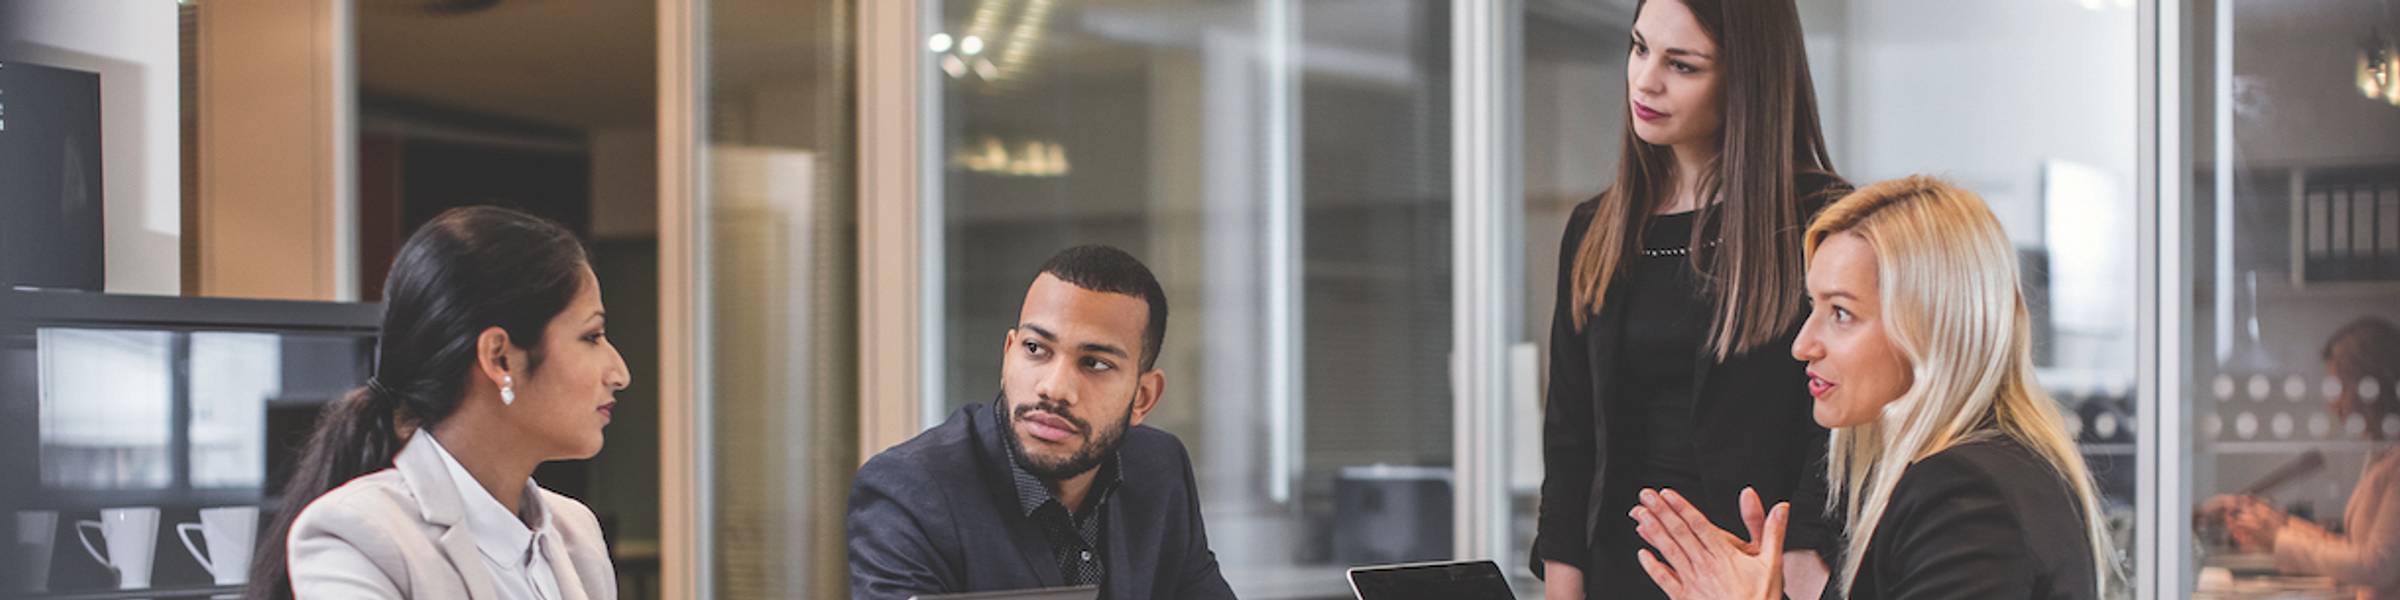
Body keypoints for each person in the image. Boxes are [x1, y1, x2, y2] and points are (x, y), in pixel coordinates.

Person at [1626, 176, 2114, 599]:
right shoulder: (1977, 472)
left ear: (1927, 328)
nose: (1803, 344)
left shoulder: (1964, 499)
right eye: (1812, 307)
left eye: (1841, 313)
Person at [1532, 0, 1849, 597]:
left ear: (1745, 79)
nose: (1645, 79)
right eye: (1639, 47)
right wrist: (1563, 586)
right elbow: (1570, 435)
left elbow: (1838, 431)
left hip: (1749, 575)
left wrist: (1801, 575)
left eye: (1682, 65)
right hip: (1616, 572)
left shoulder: (1820, 221)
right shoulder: (1596, 227)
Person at [249, 207, 629, 599]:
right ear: (499, 358)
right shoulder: (356, 534)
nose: (619, 372)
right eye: (592, 336)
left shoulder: (576, 534)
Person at [847, 245, 1234, 600]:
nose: (1054, 388)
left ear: (1143, 397)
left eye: (1095, 363)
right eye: (1036, 349)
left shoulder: (1159, 468)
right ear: (1008, 355)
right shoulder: (909, 491)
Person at [2207, 317, 2400, 599]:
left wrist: (2279, 537)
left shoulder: (2395, 461)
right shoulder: (2381, 452)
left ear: (2372, 387)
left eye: (2340, 387)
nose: (2333, 402)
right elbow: (2354, 548)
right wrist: (2280, 523)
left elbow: (2376, 565)